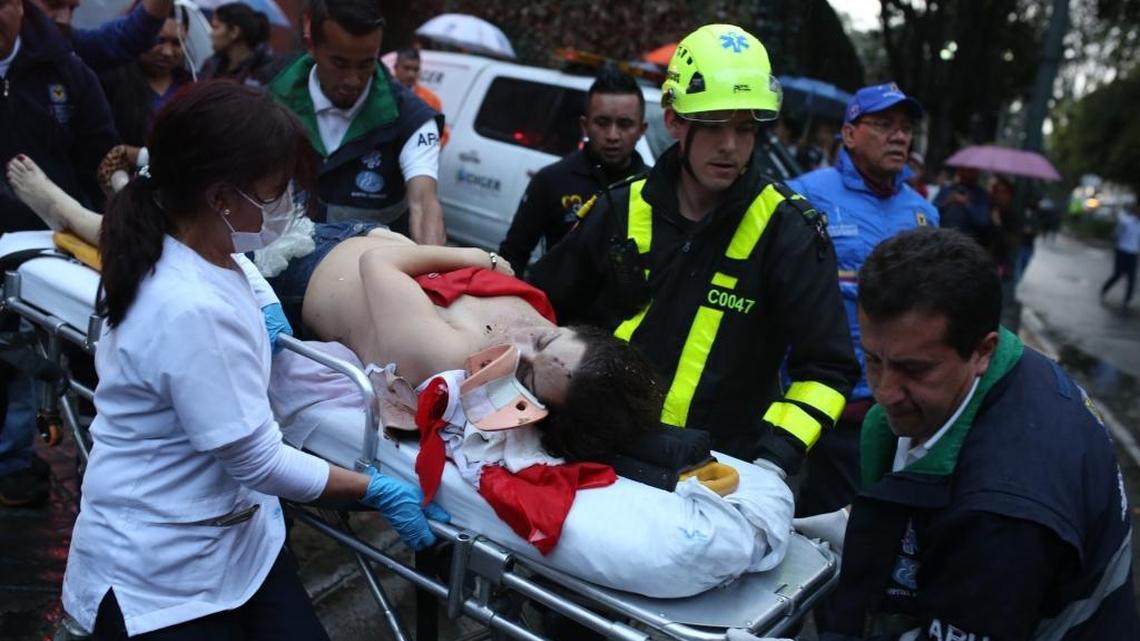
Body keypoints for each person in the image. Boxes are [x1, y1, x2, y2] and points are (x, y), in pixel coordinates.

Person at [59, 81, 448, 640]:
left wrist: (268, 309)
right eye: (274, 190)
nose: (288, 202)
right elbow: (261, 463)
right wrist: (376, 490)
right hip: (163, 573)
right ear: (220, 197)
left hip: (243, 544)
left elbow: (245, 274)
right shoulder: (187, 308)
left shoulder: (198, 243)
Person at [5, 155, 665, 462]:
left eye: (531, 372)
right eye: (550, 341)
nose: (524, 349)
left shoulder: (456, 361)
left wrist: (473, 252)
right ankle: (138, 180)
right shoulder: (542, 318)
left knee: (174, 244)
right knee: (220, 186)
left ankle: (82, 215)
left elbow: (384, 266)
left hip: (305, 276)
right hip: (345, 240)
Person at [529, 24, 860, 476]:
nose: (730, 146)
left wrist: (772, 462)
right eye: (713, 125)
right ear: (674, 120)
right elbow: (542, 309)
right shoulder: (620, 208)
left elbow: (826, 370)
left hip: (717, 472)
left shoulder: (789, 232)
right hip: (599, 455)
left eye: (745, 129)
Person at [804, 228, 1138, 640]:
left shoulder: (1001, 516)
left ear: (982, 351)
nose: (885, 391)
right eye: (873, 359)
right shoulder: (1015, 368)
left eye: (915, 369)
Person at [785, 82, 938, 517]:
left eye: (906, 128)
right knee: (821, 528)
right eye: (884, 124)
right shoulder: (805, 195)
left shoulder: (924, 212)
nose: (899, 137)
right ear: (849, 134)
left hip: (902, 412)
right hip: (826, 409)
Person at [0, 0, 117, 506]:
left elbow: (100, 150)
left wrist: (121, 190)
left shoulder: (65, 69)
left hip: (51, 239)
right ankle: (12, 461)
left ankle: (100, 459)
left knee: (77, 352)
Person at [267, 0, 446, 245]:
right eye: (340, 64)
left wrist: (434, 271)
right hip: (279, 269)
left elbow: (424, 203)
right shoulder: (272, 103)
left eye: (366, 64)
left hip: (368, 275)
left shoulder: (412, 119)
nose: (353, 80)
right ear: (312, 46)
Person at [498, 66, 649, 276]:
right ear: (585, 126)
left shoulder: (655, 187)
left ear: (642, 129)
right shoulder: (550, 180)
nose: (613, 135)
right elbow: (512, 257)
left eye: (624, 124)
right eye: (602, 123)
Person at [99, 11, 192, 147]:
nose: (167, 52)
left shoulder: (193, 86)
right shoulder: (110, 82)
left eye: (176, 43)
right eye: (159, 40)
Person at [31, 0, 171, 73]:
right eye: (54, 5)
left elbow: (132, 35)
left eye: (72, 8)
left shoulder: (70, 51)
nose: (64, 19)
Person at [198, 2, 282, 86]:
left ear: (234, 32)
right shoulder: (211, 66)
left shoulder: (265, 72)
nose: (211, 34)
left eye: (216, 27)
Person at [391, 46, 449, 147]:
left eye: (415, 69)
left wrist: (422, 149)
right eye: (407, 68)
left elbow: (442, 134)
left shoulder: (431, 99)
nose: (411, 74)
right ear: (396, 67)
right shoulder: (383, 94)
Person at [934, 166, 991, 247]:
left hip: (966, 244)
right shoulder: (947, 190)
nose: (967, 174)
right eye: (963, 170)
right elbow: (932, 211)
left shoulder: (982, 196)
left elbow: (983, 221)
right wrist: (947, 202)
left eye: (971, 171)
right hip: (942, 239)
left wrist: (967, 204)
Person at [1100, 206, 1140, 313]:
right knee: (1117, 274)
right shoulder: (1126, 221)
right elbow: (1116, 234)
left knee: (1132, 278)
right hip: (1122, 251)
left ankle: (1127, 300)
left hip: (1133, 254)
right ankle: (1104, 289)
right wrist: (1115, 246)